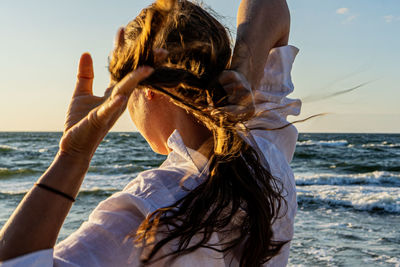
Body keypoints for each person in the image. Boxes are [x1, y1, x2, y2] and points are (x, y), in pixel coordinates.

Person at [0, 0, 300, 266]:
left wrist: (72, 155)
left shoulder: (150, 208)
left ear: (150, 91)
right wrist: (244, 71)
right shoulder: (264, 155)